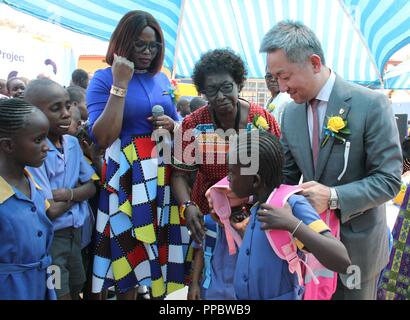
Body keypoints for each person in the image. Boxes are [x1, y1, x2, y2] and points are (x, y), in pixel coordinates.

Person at [259, 21, 402, 300]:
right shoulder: (290, 114)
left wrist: (333, 196)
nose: (281, 86)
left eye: (285, 76)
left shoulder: (370, 104)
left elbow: (389, 180)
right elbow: (285, 177)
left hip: (357, 249)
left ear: (314, 63)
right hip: (308, 247)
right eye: (275, 78)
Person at [87, 10, 189, 300]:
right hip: (124, 177)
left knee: (156, 250)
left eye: (153, 46)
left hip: (158, 176)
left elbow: (177, 124)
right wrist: (120, 82)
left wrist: (173, 125)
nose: (147, 52)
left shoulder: (161, 80)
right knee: (124, 252)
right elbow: (103, 137)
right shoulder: (103, 79)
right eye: (140, 45)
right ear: (124, 42)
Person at [171, 48, 281, 298]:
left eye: (226, 87)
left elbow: (275, 175)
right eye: (211, 90)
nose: (220, 96)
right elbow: (179, 174)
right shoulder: (193, 125)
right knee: (208, 280)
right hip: (206, 212)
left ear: (239, 84)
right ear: (202, 91)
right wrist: (187, 205)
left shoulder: (262, 120)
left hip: (251, 215)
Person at [228, 130, 351, 300]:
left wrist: (293, 224)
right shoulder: (258, 205)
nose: (227, 178)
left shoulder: (291, 204)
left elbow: (342, 260)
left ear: (255, 180)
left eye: (232, 173)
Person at [24, 79, 97, 300]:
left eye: (67, 105)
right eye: (56, 108)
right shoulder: (35, 151)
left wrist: (68, 194)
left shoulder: (72, 144)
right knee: (58, 291)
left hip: (77, 236)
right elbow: (49, 210)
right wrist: (78, 194)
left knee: (76, 286)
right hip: (52, 240)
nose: (66, 114)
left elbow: (92, 186)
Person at [0, 98, 55, 300]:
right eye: (38, 140)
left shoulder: (33, 184)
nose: (47, 147)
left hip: (39, 285)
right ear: (8, 145)